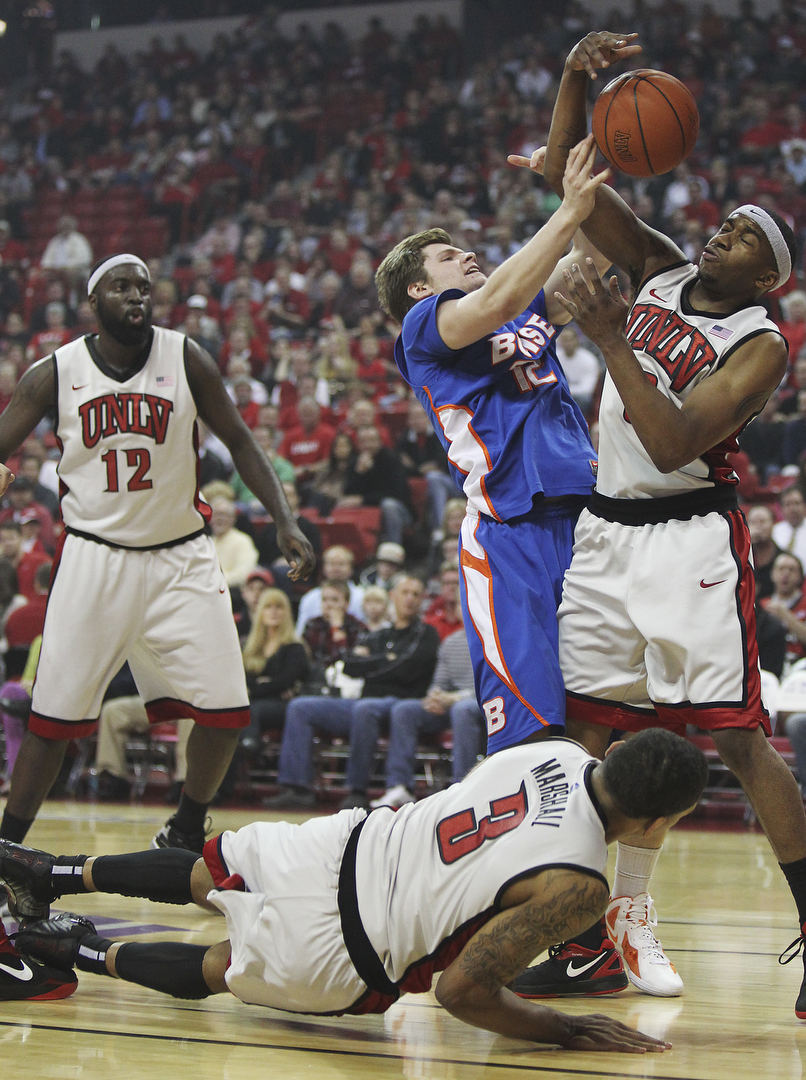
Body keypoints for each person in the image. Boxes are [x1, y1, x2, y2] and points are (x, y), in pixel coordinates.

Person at [510, 29, 806, 1016]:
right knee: (586, 733)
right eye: (726, 223)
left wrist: (609, 341)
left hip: (689, 540)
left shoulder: (759, 344)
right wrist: (572, 79)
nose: (724, 233)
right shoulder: (659, 266)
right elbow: (566, 174)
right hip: (606, 531)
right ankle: (588, 935)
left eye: (748, 238)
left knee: (737, 742)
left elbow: (676, 439)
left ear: (767, 279)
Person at [0, 728, 708, 1052]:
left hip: (345, 846)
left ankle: (48, 871)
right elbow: (463, 992)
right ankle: (62, 950)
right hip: (348, 947)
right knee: (222, 965)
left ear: (615, 753)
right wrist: (566, 1030)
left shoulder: (555, 750)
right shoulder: (578, 883)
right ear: (656, 822)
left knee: (205, 872)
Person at [0, 254, 315, 889]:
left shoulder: (186, 357)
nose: (137, 297)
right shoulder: (54, 373)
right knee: (52, 721)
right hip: (95, 556)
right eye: (121, 287)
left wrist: (283, 518)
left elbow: (241, 440)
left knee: (226, 711)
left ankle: (185, 828)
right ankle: (7, 852)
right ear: (94, 302)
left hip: (181, 554)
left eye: (144, 287)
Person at [375, 137, 610, 756]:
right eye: (448, 256)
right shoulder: (423, 326)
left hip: (589, 516)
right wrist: (567, 209)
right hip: (511, 531)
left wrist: (575, 186)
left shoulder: (520, 309)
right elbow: (500, 296)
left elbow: (591, 260)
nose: (467, 254)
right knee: (535, 729)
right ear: (419, 288)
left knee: (606, 715)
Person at [266, 575, 439, 811]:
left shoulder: (426, 634)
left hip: (401, 703)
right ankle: (297, 788)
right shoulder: (379, 635)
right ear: (393, 596)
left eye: (416, 594)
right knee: (300, 707)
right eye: (405, 593)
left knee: (364, 708)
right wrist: (384, 660)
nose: (409, 599)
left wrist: (370, 663)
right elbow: (349, 664)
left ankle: (356, 789)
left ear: (422, 600)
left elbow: (406, 670)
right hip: (363, 700)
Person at [371, 607, 484, 809]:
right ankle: (399, 786)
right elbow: (439, 683)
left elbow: (495, 686)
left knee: (462, 710)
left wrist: (456, 697)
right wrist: (435, 697)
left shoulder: (495, 639)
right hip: (451, 704)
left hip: (483, 704)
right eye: (461, 603)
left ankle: (463, 787)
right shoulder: (451, 642)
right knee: (404, 710)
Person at [238, 588, 309, 755]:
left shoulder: (294, 647)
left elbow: (285, 681)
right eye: (268, 607)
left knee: (251, 709)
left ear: (287, 613)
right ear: (260, 612)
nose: (274, 612)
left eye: (279, 607)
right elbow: (242, 677)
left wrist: (254, 688)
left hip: (282, 705)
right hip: (254, 700)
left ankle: (250, 745)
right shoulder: (250, 647)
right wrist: (264, 684)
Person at [295, 544, 365, 635]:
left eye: (341, 564)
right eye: (331, 564)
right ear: (324, 568)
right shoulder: (310, 598)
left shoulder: (361, 596)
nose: (336, 568)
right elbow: (300, 633)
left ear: (351, 568)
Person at [748, 502, 784, 600]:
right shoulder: (741, 555)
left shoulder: (782, 557)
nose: (758, 527)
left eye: (762, 522)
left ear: (773, 524)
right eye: (753, 522)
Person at [773, 486, 806, 568]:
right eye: (788, 504)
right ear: (781, 508)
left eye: (797, 503)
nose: (793, 508)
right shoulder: (774, 531)